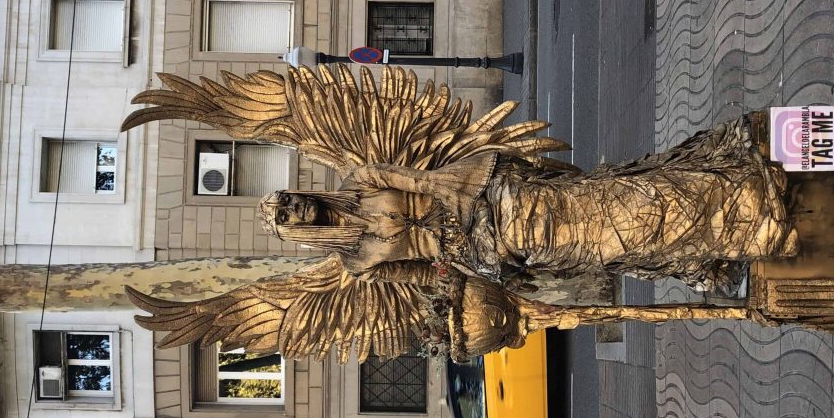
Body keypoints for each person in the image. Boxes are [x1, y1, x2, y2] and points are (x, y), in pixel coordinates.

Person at [260, 116, 797, 294]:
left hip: (479, 195)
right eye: (287, 217)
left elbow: (412, 177)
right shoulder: (358, 262)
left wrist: (446, 190)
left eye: (288, 200)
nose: (295, 209)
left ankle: (741, 193)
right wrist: (456, 279)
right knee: (608, 242)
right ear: (294, 233)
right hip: (481, 245)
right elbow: (421, 274)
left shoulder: (359, 181)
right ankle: (742, 234)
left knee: (609, 200)